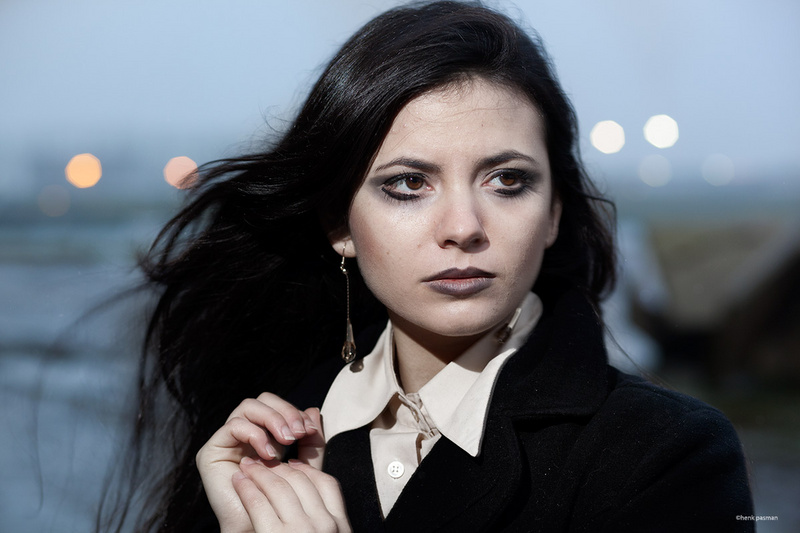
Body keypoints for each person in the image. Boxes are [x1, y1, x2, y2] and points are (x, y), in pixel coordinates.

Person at [101, 1, 754, 531]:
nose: (464, 228)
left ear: (555, 210)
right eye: (409, 184)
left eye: (507, 180)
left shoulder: (667, 454)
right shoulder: (265, 440)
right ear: (339, 224)